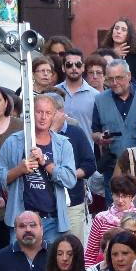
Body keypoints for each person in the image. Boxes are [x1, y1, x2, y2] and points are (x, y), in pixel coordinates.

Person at [0, 94, 78, 244]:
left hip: (52, 221)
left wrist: (45, 162)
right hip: (21, 220)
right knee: (21, 265)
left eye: (48, 113)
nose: (43, 117)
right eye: (39, 112)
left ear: (54, 116)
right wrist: (18, 170)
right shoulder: (13, 142)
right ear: (31, 114)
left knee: (51, 266)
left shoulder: (63, 144)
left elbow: (70, 180)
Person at [92, 60, 136, 200]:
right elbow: (95, 132)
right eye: (110, 79)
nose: (115, 82)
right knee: (113, 214)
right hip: (112, 168)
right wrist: (100, 138)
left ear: (128, 76)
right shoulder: (100, 100)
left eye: (119, 78)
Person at [50, 92, 97, 246]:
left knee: (73, 247)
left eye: (48, 111)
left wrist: (68, 175)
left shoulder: (75, 133)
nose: (43, 116)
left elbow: (90, 165)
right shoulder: (36, 136)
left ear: (60, 111)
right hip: (45, 203)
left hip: (72, 201)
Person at [85, 175, 136, 267]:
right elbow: (91, 252)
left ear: (132, 197)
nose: (120, 200)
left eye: (124, 196)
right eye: (117, 195)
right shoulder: (100, 218)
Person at [58, 48, 100, 137]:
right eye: (69, 65)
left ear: (83, 67)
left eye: (78, 64)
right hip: (58, 149)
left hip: (84, 149)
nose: (74, 68)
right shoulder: (54, 93)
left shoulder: (96, 96)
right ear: (63, 68)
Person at [100, 18, 136, 83]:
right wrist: (113, 54)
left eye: (123, 30)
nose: (118, 32)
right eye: (116, 28)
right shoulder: (102, 52)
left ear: (129, 35)